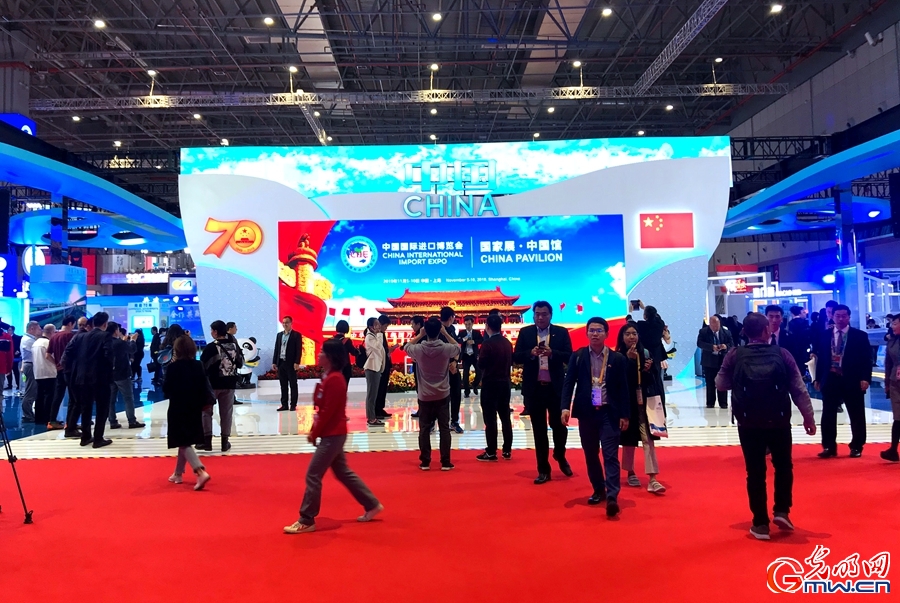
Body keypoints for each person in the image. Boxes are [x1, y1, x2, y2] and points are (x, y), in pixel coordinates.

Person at [715, 312, 816, 540]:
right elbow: (798, 389)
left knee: (755, 472)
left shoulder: (734, 355)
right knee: (783, 466)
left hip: (748, 422)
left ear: (744, 332)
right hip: (778, 420)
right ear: (766, 330)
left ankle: (760, 523)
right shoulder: (782, 354)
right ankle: (782, 511)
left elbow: (720, 384)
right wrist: (808, 418)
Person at [283, 339, 383, 534]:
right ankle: (371, 504)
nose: (319, 354)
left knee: (313, 474)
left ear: (330, 357)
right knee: (343, 472)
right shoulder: (328, 377)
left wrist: (315, 432)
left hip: (333, 435)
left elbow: (328, 411)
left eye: (322, 352)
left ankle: (307, 518)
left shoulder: (335, 379)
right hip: (333, 433)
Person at [560, 317, 630, 517]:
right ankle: (599, 489)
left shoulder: (617, 359)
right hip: (587, 413)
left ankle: (612, 496)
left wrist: (625, 414)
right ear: (587, 333)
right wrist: (564, 407)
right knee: (591, 454)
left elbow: (624, 388)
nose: (595, 334)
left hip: (609, 413)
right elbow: (569, 382)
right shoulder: (579, 356)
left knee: (610, 455)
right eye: (591, 330)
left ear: (607, 334)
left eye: (599, 330)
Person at [513, 301, 573, 484]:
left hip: (555, 389)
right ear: (533, 315)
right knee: (539, 431)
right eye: (537, 314)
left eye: (544, 314)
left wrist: (552, 353)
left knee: (559, 427)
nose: (540, 317)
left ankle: (560, 454)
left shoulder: (561, 333)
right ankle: (543, 470)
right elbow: (516, 357)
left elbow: (569, 356)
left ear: (550, 315)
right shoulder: (526, 333)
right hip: (535, 389)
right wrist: (530, 353)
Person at [813, 304, 872, 458]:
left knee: (856, 413)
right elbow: (821, 358)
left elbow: (867, 359)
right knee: (828, 414)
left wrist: (865, 378)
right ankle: (829, 446)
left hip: (852, 378)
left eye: (844, 316)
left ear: (849, 317)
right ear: (832, 316)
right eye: (837, 316)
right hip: (830, 378)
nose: (840, 319)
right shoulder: (824, 335)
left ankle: (857, 446)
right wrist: (818, 378)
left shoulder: (859, 336)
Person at [405, 318, 461, 471]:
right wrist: (445, 333)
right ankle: (445, 461)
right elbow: (457, 347)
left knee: (424, 429)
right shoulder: (445, 348)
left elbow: (407, 347)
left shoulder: (419, 349)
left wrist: (420, 335)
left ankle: (425, 461)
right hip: (442, 394)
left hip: (425, 395)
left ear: (426, 331)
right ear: (439, 331)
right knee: (444, 428)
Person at [616, 322, 666, 494]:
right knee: (629, 439)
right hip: (627, 403)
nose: (632, 337)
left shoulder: (645, 353)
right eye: (628, 334)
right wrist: (630, 361)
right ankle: (630, 471)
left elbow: (654, 380)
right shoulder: (618, 356)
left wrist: (648, 370)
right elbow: (621, 381)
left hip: (645, 402)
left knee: (648, 438)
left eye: (634, 333)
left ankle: (653, 478)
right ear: (622, 337)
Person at [163, 335, 212, 490]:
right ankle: (178, 473)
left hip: (178, 406)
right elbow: (203, 386)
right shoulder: (198, 365)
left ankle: (200, 470)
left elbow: (166, 390)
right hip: (195, 406)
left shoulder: (173, 367)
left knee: (182, 440)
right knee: (185, 440)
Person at [66, 312, 115, 448]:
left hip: (81, 378)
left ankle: (85, 437)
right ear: (105, 324)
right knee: (102, 409)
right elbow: (108, 356)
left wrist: (76, 367)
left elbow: (68, 352)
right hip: (100, 378)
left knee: (85, 408)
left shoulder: (80, 336)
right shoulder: (105, 336)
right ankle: (98, 438)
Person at [475, 313, 513, 461]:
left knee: (490, 418)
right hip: (505, 383)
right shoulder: (507, 343)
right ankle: (507, 450)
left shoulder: (487, 344)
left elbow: (481, 364)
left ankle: (491, 451)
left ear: (487, 327)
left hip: (490, 384)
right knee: (505, 417)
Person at [200, 320, 240, 452]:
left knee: (206, 412)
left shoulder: (211, 347)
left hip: (212, 385)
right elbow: (240, 363)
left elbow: (203, 366)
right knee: (226, 413)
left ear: (216, 332)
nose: (211, 333)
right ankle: (224, 442)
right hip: (230, 384)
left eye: (212, 330)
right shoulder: (234, 346)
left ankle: (207, 442)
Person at [108, 322, 145, 430]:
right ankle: (132, 421)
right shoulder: (119, 342)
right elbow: (132, 349)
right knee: (128, 398)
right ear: (116, 331)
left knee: (111, 400)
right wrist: (132, 340)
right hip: (122, 374)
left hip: (110, 374)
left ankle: (112, 421)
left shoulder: (106, 342)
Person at [48, 315, 77, 432]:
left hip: (59, 370)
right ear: (70, 323)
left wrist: (57, 364)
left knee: (58, 396)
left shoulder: (54, 337)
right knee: (73, 397)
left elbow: (47, 355)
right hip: (70, 370)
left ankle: (52, 421)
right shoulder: (70, 336)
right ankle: (70, 423)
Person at [697, 315, 733, 408]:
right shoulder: (703, 332)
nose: (716, 327)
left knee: (722, 382)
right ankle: (710, 403)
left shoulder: (726, 332)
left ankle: (723, 403)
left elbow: (731, 344)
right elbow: (699, 343)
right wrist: (711, 347)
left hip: (722, 361)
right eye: (714, 325)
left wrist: (725, 346)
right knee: (710, 383)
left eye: (718, 325)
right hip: (709, 361)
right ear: (710, 324)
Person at [439, 307, 465, 433]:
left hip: (453, 367)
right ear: (451, 317)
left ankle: (454, 421)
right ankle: (436, 421)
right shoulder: (437, 329)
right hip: (440, 368)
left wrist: (454, 361)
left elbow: (457, 346)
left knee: (456, 394)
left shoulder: (452, 330)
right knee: (440, 397)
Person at [880, 315, 900, 462]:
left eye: (895, 323)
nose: (892, 326)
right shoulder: (892, 341)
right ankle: (893, 449)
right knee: (898, 417)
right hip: (895, 382)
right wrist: (887, 383)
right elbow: (888, 363)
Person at [272, 316, 302, 411]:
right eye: (283, 322)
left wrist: (297, 362)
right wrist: (274, 362)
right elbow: (276, 349)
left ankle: (293, 404)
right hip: (281, 362)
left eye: (287, 322)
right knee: (283, 385)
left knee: (293, 384)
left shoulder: (296, 335)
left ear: (291, 323)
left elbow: (298, 350)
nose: (285, 324)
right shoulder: (279, 335)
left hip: (291, 363)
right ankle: (284, 404)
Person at [32, 324, 57, 426]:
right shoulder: (48, 342)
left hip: (38, 373)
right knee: (49, 397)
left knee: (39, 396)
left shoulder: (36, 343)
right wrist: (57, 364)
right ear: (51, 332)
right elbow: (49, 356)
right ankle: (48, 418)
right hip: (49, 372)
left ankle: (38, 418)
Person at [363, 317, 386, 426]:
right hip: (372, 368)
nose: (379, 326)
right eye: (376, 324)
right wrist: (380, 334)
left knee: (373, 394)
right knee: (371, 395)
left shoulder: (374, 336)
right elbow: (378, 347)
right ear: (371, 326)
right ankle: (371, 418)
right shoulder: (369, 337)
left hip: (376, 367)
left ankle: (372, 417)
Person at [636, 304, 667, 384]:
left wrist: (630, 312)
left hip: (645, 355)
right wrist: (644, 308)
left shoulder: (641, 325)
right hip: (657, 355)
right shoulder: (660, 324)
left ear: (645, 316)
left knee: (646, 379)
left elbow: (630, 322)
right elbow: (657, 318)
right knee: (657, 379)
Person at [375, 315, 396, 419]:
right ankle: (376, 410)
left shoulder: (382, 334)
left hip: (385, 364)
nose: (386, 328)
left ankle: (380, 408)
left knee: (383, 388)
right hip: (379, 365)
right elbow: (380, 350)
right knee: (379, 388)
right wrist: (390, 350)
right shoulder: (376, 335)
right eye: (385, 326)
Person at [19, 321, 41, 423]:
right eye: (38, 329)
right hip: (30, 365)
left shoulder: (30, 339)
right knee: (30, 391)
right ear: (32, 329)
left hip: (30, 365)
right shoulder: (28, 340)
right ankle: (27, 414)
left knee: (32, 390)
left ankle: (28, 413)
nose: (40, 331)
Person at [459, 315, 483, 398]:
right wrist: (465, 339)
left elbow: (482, 340)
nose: (467, 326)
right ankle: (466, 391)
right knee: (465, 374)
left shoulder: (476, 332)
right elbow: (458, 340)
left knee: (479, 372)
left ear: (472, 324)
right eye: (466, 324)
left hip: (474, 355)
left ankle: (475, 385)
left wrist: (474, 342)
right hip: (466, 356)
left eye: (469, 324)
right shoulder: (462, 332)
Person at [331, 320, 359, 390]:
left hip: (334, 367)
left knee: (334, 388)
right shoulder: (347, 341)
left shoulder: (331, 340)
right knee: (343, 388)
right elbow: (353, 352)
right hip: (345, 368)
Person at [408, 315, 425, 418]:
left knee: (421, 388)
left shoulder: (421, 336)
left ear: (418, 324)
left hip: (420, 365)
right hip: (420, 364)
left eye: (412, 324)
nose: (411, 326)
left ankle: (423, 410)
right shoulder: (420, 334)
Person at [7, 326, 21, 392]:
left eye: (10, 330)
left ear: (13, 330)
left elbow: (20, 346)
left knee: (15, 371)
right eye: (8, 330)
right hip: (7, 357)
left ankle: (18, 385)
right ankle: (9, 384)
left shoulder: (18, 338)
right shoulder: (6, 338)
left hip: (15, 357)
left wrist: (18, 351)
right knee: (8, 371)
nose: (8, 331)